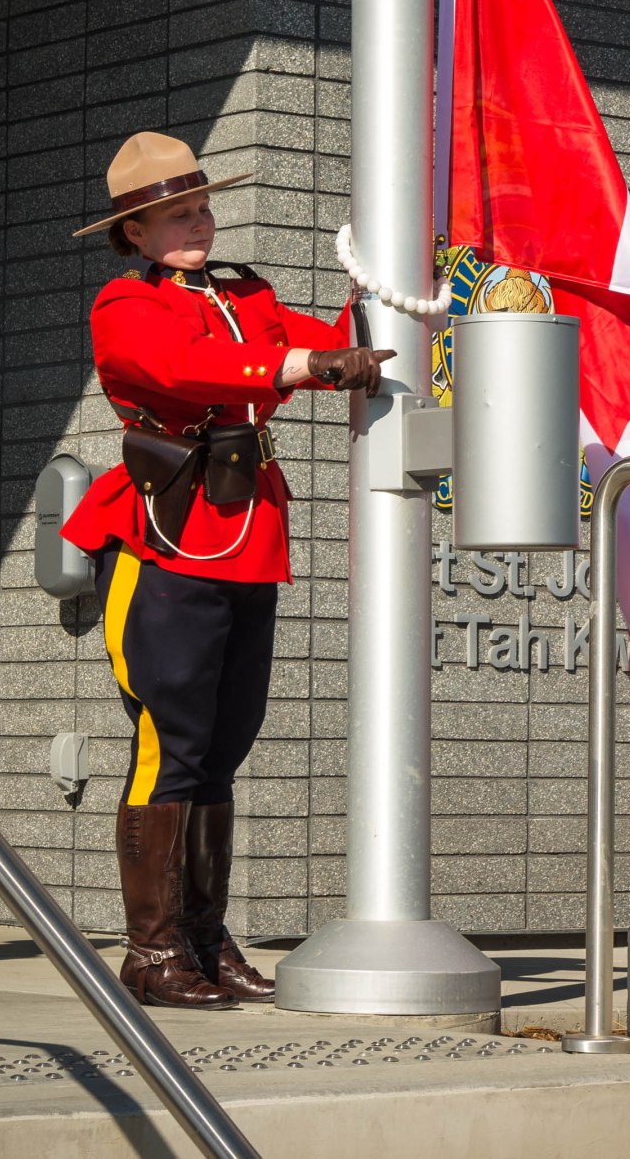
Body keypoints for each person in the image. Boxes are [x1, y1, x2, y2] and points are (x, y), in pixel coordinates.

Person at [63, 131, 393, 1009]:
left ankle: (206, 942)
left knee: (224, 744)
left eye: (202, 206)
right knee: (168, 743)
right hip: (165, 533)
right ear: (135, 232)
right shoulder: (122, 302)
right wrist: (300, 363)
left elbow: (324, 344)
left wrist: (375, 300)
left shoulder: (247, 290)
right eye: (176, 215)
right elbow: (181, 368)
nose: (198, 223)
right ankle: (152, 951)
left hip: (247, 530)